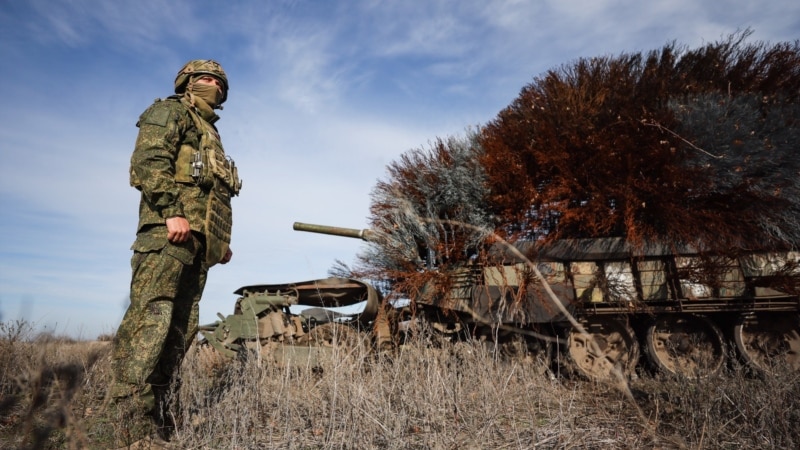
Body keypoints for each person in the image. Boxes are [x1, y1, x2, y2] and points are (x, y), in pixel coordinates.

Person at [107, 59, 242, 446]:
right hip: (168, 235)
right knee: (152, 320)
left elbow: (213, 195)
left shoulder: (211, 135)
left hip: (198, 245)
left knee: (182, 328)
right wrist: (172, 212)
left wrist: (220, 242)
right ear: (186, 82)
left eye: (218, 80)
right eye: (204, 78)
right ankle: (125, 417)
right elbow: (147, 163)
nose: (212, 83)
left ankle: (159, 414)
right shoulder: (169, 111)